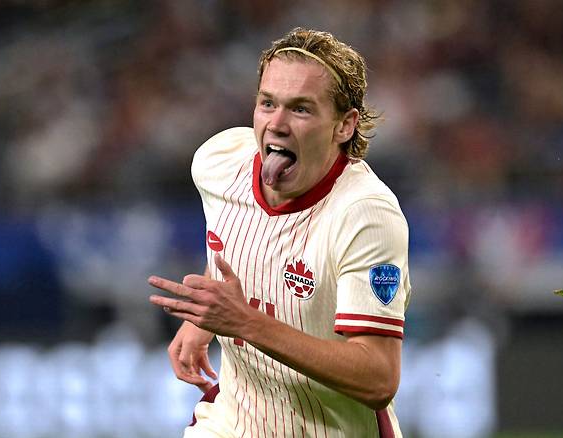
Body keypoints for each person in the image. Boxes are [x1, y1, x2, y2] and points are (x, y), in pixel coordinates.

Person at [148, 27, 411, 437]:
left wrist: (243, 322)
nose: (277, 124)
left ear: (345, 125)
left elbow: (378, 379)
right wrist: (203, 322)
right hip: (232, 423)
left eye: (301, 109)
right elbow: (235, 241)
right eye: (267, 103)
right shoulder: (217, 164)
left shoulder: (366, 215)